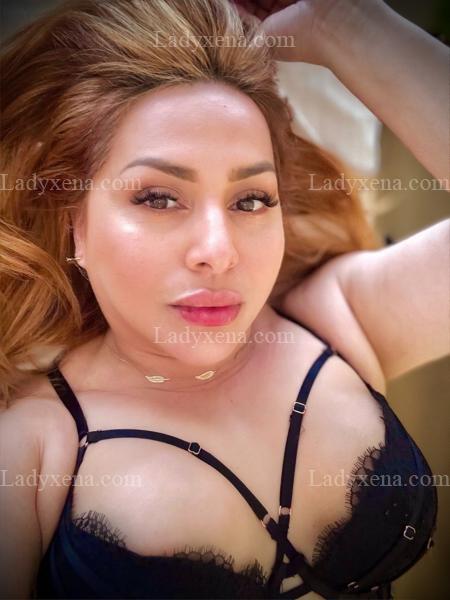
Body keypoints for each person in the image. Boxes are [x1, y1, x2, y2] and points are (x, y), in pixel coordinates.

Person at [0, 0, 447, 598]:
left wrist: (343, 24)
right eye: (158, 198)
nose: (219, 251)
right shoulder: (31, 447)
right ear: (72, 220)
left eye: (251, 200)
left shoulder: (336, 319)